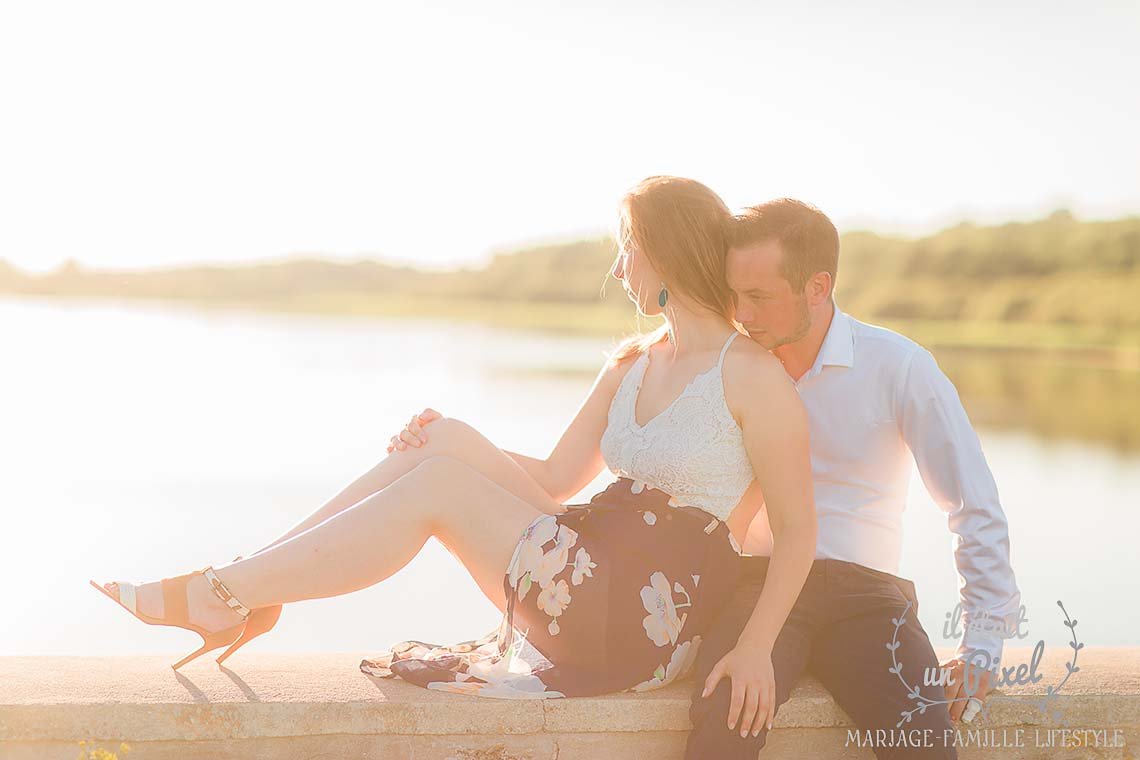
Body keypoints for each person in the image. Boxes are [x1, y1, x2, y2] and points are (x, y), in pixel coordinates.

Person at [90, 177, 817, 738]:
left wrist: (756, 647)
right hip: (590, 558)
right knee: (439, 444)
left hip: (645, 617)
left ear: (664, 248)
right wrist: (457, 442)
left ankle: (225, 595)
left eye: (628, 246)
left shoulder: (750, 374)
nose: (622, 266)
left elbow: (797, 533)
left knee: (442, 477)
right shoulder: (631, 363)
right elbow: (557, 480)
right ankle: (241, 588)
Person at [670, 198, 1020, 759]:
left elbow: (971, 503)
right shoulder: (728, 369)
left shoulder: (899, 366)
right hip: (758, 590)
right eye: (735, 296)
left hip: (869, 598)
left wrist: (983, 641)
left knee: (924, 743)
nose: (744, 314)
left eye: (759, 297)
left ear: (817, 287)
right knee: (722, 721)